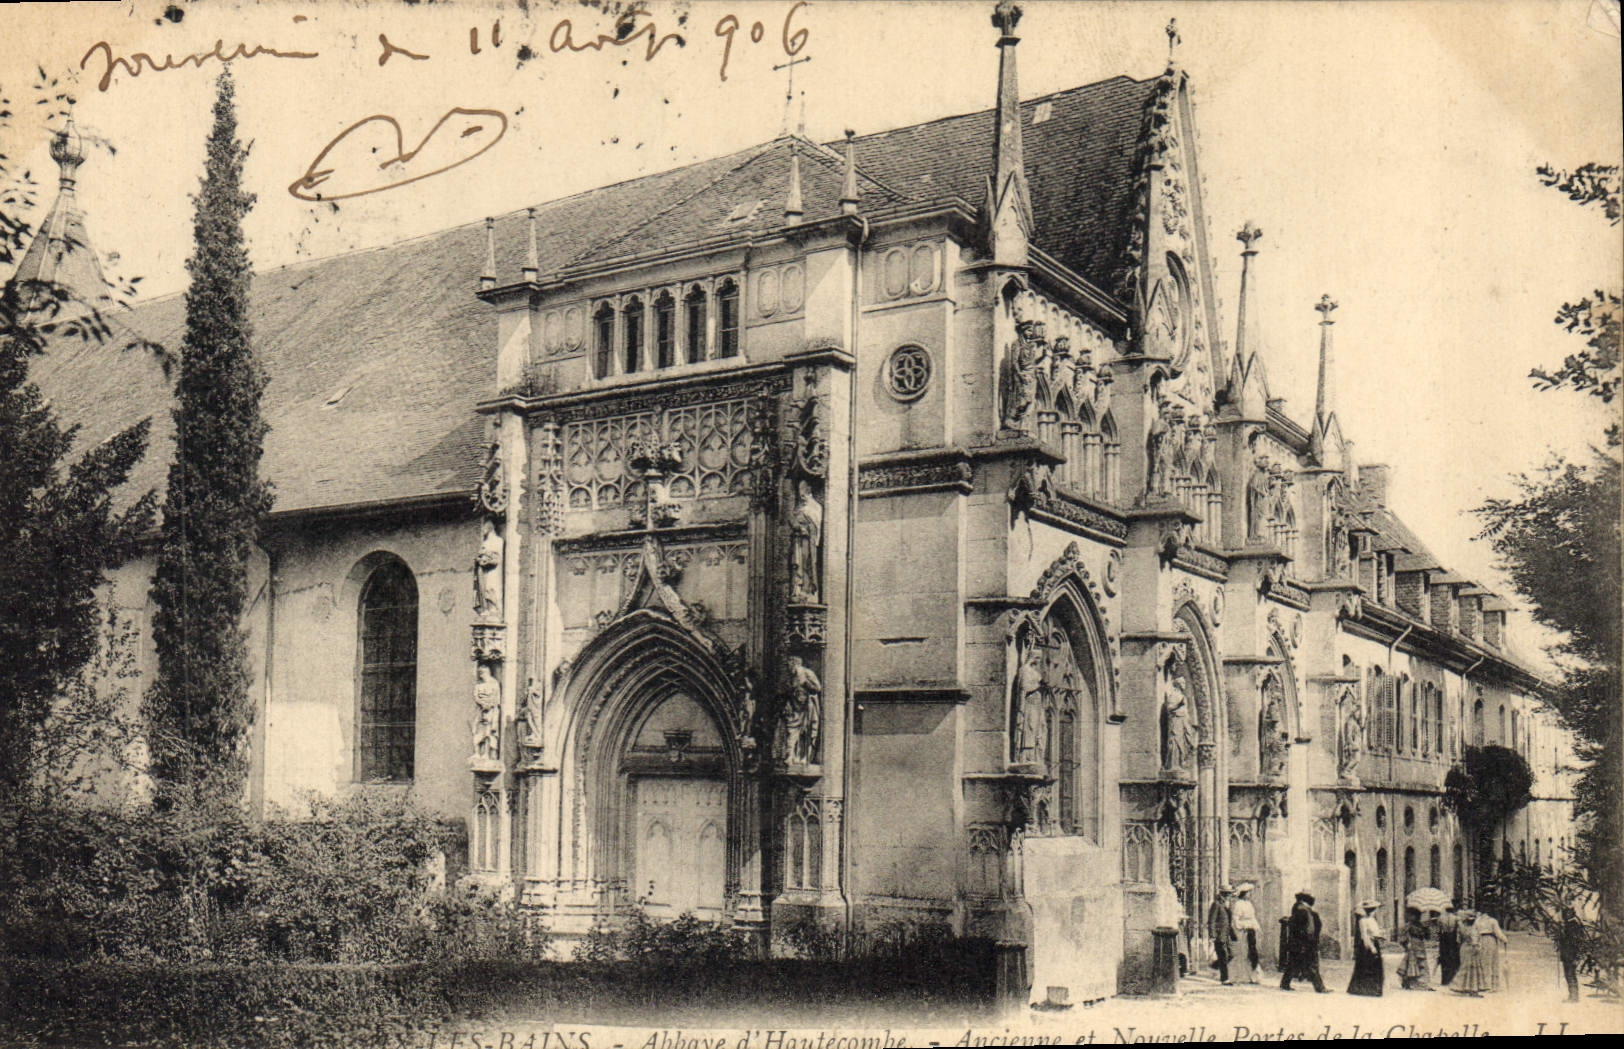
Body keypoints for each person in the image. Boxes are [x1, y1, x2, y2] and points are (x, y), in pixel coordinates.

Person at [1280, 891, 1328, 992]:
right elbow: (1304, 928)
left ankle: (1284, 984)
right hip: (1303, 942)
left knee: (1293, 963)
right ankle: (1320, 988)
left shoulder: (1302, 909)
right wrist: (1307, 941)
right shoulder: (1301, 910)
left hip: (1300, 942)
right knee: (1311, 964)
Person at [1348, 899, 1386, 996]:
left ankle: (1374, 989)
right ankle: (1364, 989)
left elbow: (1375, 933)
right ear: (1371, 911)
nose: (1374, 912)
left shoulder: (1373, 920)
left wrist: (1380, 936)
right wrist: (1371, 947)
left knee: (1375, 967)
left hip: (1374, 942)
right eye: (1373, 910)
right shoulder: (1362, 921)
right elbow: (1364, 936)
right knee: (1366, 966)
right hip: (1367, 945)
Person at [1397, 907, 1433, 990]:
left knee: (1422, 963)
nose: (1418, 917)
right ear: (1411, 916)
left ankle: (1423, 983)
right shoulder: (1408, 925)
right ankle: (1409, 983)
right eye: (1416, 915)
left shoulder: (1422, 925)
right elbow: (1402, 937)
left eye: (1419, 915)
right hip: (1412, 946)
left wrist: (1427, 930)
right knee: (1411, 963)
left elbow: (1427, 937)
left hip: (1420, 946)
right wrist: (1406, 944)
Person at [1453, 909, 1488, 996]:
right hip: (1472, 948)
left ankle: (1463, 987)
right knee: (1474, 969)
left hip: (1464, 948)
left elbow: (1458, 940)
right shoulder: (1474, 929)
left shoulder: (1461, 928)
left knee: (1465, 968)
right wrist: (1477, 947)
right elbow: (1475, 940)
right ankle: (1473, 989)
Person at [1232, 883, 1262, 983]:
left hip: (1251, 930)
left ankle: (1254, 976)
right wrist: (1244, 925)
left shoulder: (1249, 904)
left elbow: (1253, 917)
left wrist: (1257, 927)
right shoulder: (1238, 904)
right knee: (1244, 953)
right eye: (1248, 892)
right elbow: (1236, 920)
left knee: (1253, 953)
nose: (1250, 894)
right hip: (1243, 932)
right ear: (1243, 893)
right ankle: (1243, 975)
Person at [1208, 886, 1238, 984]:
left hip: (1227, 935)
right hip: (1219, 935)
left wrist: (1233, 934)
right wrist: (1212, 935)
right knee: (1223, 955)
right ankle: (1225, 979)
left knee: (1231, 954)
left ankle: (1215, 966)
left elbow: (1229, 921)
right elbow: (1211, 921)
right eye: (1228, 893)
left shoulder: (1226, 905)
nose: (1230, 895)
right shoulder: (1216, 904)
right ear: (1224, 894)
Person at [1435, 903, 1462, 987]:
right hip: (1452, 939)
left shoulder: (1440, 918)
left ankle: (1444, 980)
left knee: (1444, 958)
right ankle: (1452, 979)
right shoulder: (1456, 918)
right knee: (1453, 958)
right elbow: (1460, 930)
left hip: (1443, 939)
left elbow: (1438, 931)